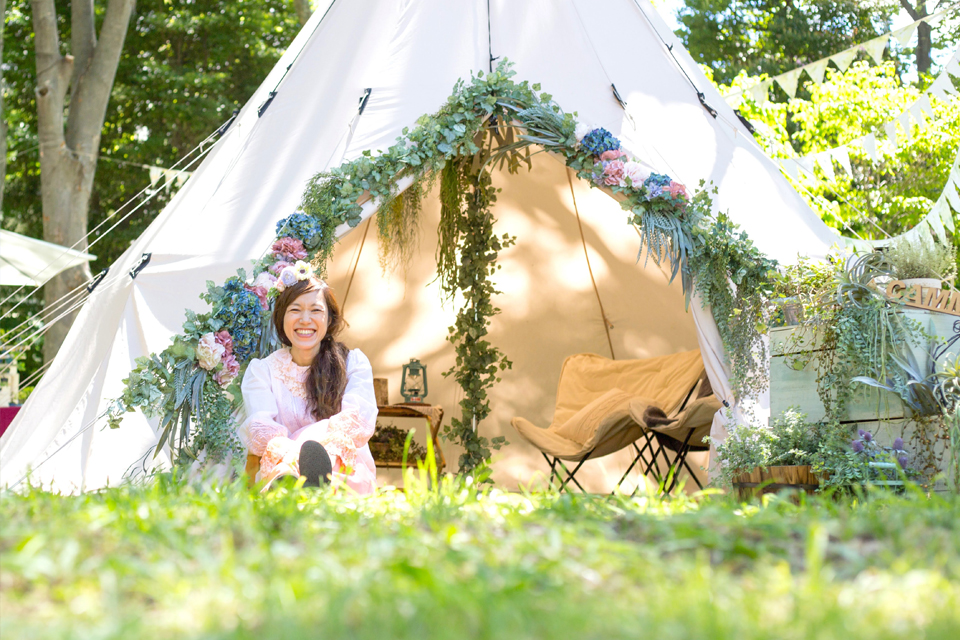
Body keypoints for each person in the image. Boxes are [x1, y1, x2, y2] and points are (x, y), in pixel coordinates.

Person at [239, 265, 377, 493]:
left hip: (343, 471)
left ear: (329, 318)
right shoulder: (262, 371)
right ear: (281, 316)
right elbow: (262, 429)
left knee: (324, 449)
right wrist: (295, 457)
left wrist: (314, 448)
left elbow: (356, 423)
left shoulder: (353, 364)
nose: (305, 320)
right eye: (295, 310)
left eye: (315, 310)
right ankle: (293, 482)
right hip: (282, 467)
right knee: (283, 470)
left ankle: (308, 481)